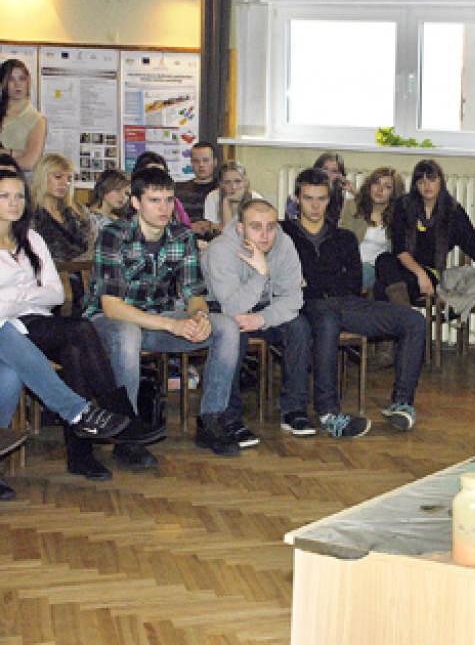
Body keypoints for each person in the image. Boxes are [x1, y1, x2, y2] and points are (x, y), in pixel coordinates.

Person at [0, 169, 159, 485]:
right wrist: (26, 293)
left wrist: (11, 295)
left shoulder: (31, 239)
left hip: (35, 323)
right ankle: (113, 421)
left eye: (19, 196)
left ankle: (83, 448)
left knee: (77, 341)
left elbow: (55, 294)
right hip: (8, 330)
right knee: (77, 335)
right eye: (4, 196)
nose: (14, 202)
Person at [86, 166, 242, 457]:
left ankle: (212, 419)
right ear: (135, 202)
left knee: (227, 327)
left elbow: (194, 293)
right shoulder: (114, 234)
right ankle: (126, 432)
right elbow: (112, 306)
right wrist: (172, 326)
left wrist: (200, 317)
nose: (164, 208)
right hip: (109, 322)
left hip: (159, 319)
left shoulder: (182, 235)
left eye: (169, 200)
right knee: (128, 333)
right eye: (154, 200)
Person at [282, 168, 426, 436]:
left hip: (345, 304)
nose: (315, 206)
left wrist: (313, 282)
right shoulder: (283, 234)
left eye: (321, 199)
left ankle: (401, 403)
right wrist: (318, 285)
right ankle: (329, 414)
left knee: (414, 320)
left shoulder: (344, 238)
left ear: (329, 200)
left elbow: (353, 284)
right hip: (305, 306)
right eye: (308, 198)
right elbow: (286, 284)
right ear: (297, 199)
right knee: (327, 319)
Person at [202, 197, 312, 446]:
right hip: (222, 307)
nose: (265, 235)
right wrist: (261, 274)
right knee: (233, 333)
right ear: (240, 227)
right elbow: (232, 306)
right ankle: (229, 417)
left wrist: (262, 318)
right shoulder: (221, 249)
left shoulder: (284, 244)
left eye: (271, 227)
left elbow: (294, 297)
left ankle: (294, 409)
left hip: (262, 308)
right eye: (256, 227)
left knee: (299, 327)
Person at [375, 159, 475, 305]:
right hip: (404, 269)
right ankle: (404, 315)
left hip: (431, 275)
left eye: (431, 180)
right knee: (384, 260)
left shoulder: (453, 211)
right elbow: (399, 249)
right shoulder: (404, 205)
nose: (427, 186)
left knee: (382, 287)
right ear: (416, 186)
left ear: (440, 181)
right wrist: (420, 274)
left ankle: (399, 316)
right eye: (421, 182)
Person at [339, 166, 405, 289]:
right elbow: (340, 241)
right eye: (376, 183)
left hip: (377, 271)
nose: (380, 189)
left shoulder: (397, 218)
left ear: (394, 192)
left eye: (387, 187)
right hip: (349, 266)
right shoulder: (352, 207)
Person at [30, 153, 93, 261]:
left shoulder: (79, 211)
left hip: (84, 269)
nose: (65, 183)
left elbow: (94, 244)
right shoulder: (28, 214)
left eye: (69, 179)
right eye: (58, 177)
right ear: (42, 178)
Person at [0, 59, 47, 174]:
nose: (17, 85)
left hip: (18, 181)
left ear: (28, 81)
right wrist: (16, 153)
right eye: (11, 79)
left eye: (22, 79)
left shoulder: (36, 119)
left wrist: (6, 153)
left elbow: (29, 163)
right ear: (2, 83)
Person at [285, 152, 350, 225]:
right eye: (325, 169)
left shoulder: (339, 198)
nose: (328, 174)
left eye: (334, 171)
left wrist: (352, 190)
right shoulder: (297, 195)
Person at [174, 141, 219, 239]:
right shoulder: (178, 190)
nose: (201, 165)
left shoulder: (222, 191)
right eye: (196, 161)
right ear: (191, 163)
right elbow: (169, 223)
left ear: (215, 162)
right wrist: (189, 227)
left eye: (206, 160)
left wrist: (213, 226)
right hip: (185, 242)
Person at [205, 160, 263, 231]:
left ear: (245, 182)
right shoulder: (212, 198)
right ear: (221, 184)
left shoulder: (256, 199)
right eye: (227, 182)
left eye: (238, 181)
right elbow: (228, 233)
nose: (233, 187)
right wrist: (226, 201)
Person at [88, 169, 130, 236]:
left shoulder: (116, 219)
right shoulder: (90, 219)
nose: (123, 196)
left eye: (127, 193)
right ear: (103, 188)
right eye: (117, 190)